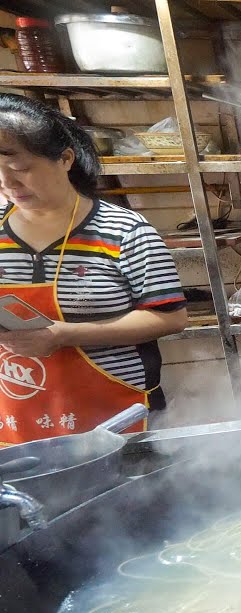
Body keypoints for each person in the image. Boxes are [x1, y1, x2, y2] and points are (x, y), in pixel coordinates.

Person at [0, 93, 187, 443]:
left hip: (115, 419)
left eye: (20, 169)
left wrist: (65, 335)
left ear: (64, 159)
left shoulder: (125, 232)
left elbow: (171, 317)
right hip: (16, 422)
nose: (8, 184)